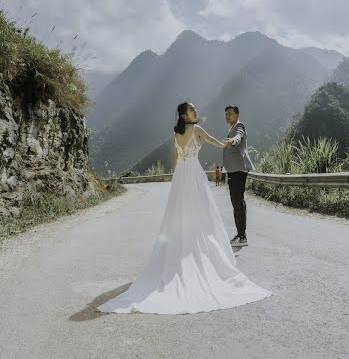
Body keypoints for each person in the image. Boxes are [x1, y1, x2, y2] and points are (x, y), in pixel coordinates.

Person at [95, 100, 272, 315]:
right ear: (184, 115)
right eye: (192, 109)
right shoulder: (196, 129)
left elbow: (175, 157)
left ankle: (181, 246)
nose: (196, 111)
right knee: (201, 211)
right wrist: (226, 144)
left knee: (178, 212)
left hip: (181, 174)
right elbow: (213, 141)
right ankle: (199, 248)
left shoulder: (176, 133)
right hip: (194, 174)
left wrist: (177, 175)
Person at [223, 105, 254, 247]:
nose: (227, 116)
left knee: (237, 202)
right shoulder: (231, 128)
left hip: (238, 170)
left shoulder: (239, 126)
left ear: (237, 115)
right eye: (226, 114)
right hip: (234, 170)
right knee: (237, 201)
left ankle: (242, 236)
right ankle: (241, 234)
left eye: (230, 114)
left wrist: (233, 141)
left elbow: (239, 135)